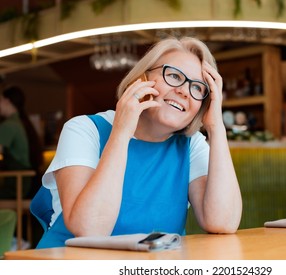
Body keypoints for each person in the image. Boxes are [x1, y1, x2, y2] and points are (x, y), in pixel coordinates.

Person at [35, 36, 242, 249]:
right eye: (173, 75)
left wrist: (216, 128)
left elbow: (223, 222)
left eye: (198, 88)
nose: (183, 91)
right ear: (142, 79)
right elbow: (90, 229)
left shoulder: (192, 145)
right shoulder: (84, 130)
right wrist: (122, 133)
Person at [0, 86, 43, 199]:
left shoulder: (9, 125)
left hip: (16, 185)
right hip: (26, 183)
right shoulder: (20, 122)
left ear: (7, 101)